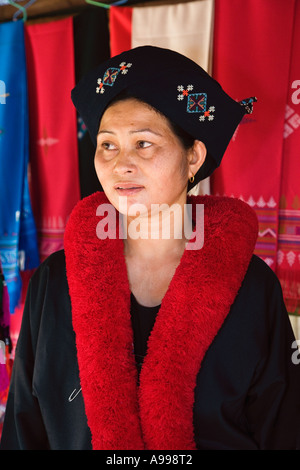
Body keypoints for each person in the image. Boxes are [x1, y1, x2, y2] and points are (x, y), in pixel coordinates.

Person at [1, 46, 300, 451]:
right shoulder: (55, 282)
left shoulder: (252, 287)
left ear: (193, 156)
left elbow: (283, 428)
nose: (121, 164)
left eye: (144, 144)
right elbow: (24, 428)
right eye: (107, 145)